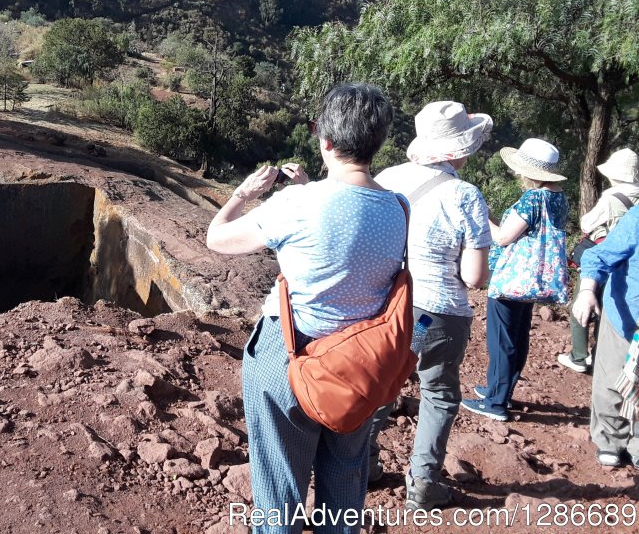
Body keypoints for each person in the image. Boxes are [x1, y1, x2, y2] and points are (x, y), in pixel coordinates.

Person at [206, 83, 407, 534]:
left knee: (280, 487)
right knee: (345, 477)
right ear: (377, 142)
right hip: (361, 363)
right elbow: (347, 231)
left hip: (290, 356)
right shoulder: (398, 207)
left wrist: (242, 195)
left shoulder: (295, 204)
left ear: (326, 141)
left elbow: (216, 239)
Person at [366, 101, 492, 511]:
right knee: (438, 393)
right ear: (459, 150)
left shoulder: (386, 178)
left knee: (385, 384)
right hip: (439, 310)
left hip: (390, 306)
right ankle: (422, 482)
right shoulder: (465, 194)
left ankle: (360, 463)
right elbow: (474, 277)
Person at [462, 138, 569, 422]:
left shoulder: (534, 198)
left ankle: (497, 402)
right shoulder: (558, 197)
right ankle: (499, 388)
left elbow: (502, 237)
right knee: (518, 337)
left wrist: (482, 216)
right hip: (533, 279)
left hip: (512, 280)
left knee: (503, 340)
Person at [558, 149, 639, 373]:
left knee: (582, 304)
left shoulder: (611, 197)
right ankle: (600, 355)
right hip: (627, 265)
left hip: (603, 257)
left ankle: (579, 356)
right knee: (609, 307)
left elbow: (586, 224)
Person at [575, 208, 639, 467]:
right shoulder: (637, 217)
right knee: (612, 378)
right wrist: (587, 291)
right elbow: (598, 256)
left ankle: (636, 443)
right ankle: (609, 439)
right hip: (625, 315)